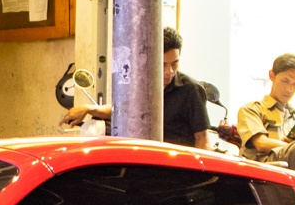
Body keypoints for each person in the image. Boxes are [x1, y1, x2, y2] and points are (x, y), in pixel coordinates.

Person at [62, 29, 215, 148]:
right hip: (146, 160)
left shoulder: (191, 90)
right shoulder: (142, 84)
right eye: (163, 65)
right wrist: (89, 109)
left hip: (176, 167)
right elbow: (124, 109)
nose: (170, 71)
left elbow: (202, 138)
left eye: (175, 63)